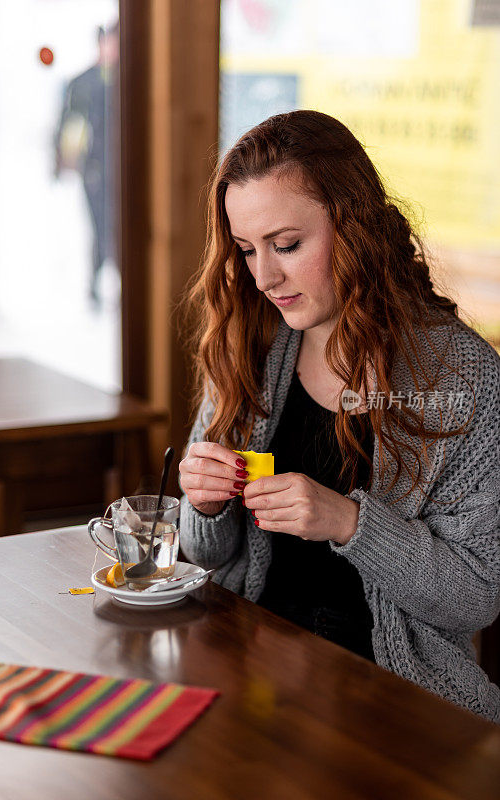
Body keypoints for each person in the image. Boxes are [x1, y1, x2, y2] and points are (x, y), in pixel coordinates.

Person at [177, 110, 500, 724]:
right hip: (251, 663)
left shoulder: (463, 377)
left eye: (288, 245)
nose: (265, 276)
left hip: (394, 694)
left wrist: (349, 523)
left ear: (353, 227)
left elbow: (476, 599)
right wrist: (205, 503)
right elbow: (204, 552)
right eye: (247, 250)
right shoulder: (249, 340)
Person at [53, 22, 119, 308]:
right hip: (94, 171)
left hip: (123, 171)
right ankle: (95, 286)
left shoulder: (128, 80)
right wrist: (67, 161)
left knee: (117, 228)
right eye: (109, 42)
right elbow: (70, 127)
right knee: (100, 228)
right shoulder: (82, 83)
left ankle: (115, 284)